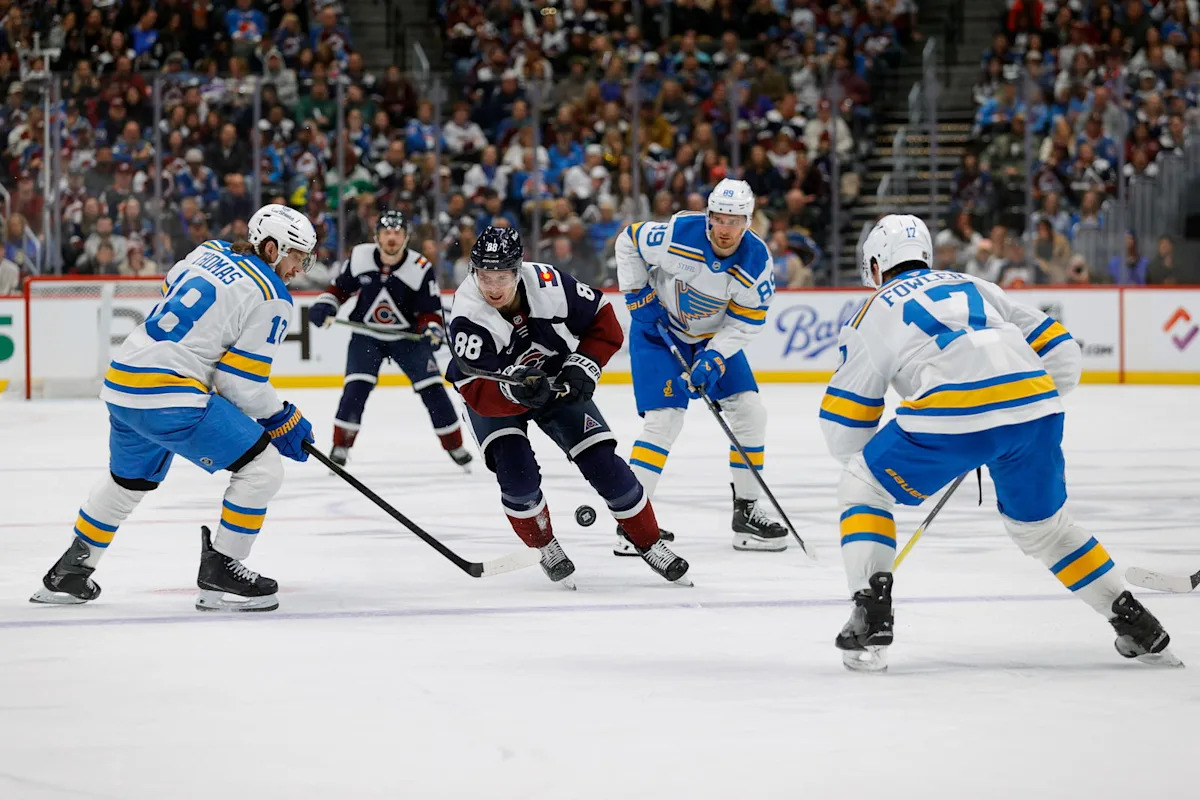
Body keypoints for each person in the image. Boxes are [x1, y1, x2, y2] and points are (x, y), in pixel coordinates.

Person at [820, 213, 1179, 672]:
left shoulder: (870, 312)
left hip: (953, 415)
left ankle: (870, 613)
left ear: (875, 264)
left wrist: (968, 429)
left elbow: (845, 430)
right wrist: (1006, 412)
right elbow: (1065, 356)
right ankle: (1135, 622)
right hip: (1036, 410)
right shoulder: (975, 284)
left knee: (862, 487)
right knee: (1046, 529)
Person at [32, 204, 320, 612]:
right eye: (296, 256)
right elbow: (239, 383)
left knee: (127, 483)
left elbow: (171, 286)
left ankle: (71, 571)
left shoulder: (210, 249)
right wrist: (281, 417)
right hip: (171, 395)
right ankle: (222, 569)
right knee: (262, 467)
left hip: (124, 382)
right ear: (271, 248)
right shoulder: (272, 295)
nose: (299, 268)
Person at [446, 226, 689, 589]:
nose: (493, 287)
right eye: (485, 276)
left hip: (554, 379)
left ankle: (650, 543)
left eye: (502, 277)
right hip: (496, 396)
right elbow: (473, 387)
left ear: (518, 270)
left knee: (604, 464)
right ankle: (545, 545)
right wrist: (514, 391)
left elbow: (603, 320)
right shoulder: (469, 315)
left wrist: (583, 364)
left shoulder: (548, 283)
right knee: (517, 475)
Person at [614, 178, 789, 556]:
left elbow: (745, 323)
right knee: (664, 421)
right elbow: (628, 240)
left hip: (711, 339)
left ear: (748, 222)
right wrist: (636, 292)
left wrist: (715, 355)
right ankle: (633, 525)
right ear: (708, 216)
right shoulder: (678, 233)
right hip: (659, 333)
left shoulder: (757, 263)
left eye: (735, 221)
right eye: (719, 219)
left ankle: (747, 512)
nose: (725, 229)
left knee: (750, 412)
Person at [308, 210, 472, 469]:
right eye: (386, 232)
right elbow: (339, 288)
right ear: (376, 236)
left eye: (397, 232)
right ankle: (341, 445)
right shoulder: (360, 257)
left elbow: (430, 310)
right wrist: (327, 305)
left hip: (407, 338)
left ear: (406, 237)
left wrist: (431, 329)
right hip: (367, 335)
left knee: (433, 390)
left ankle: (455, 445)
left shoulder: (420, 267)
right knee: (356, 389)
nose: (392, 238)